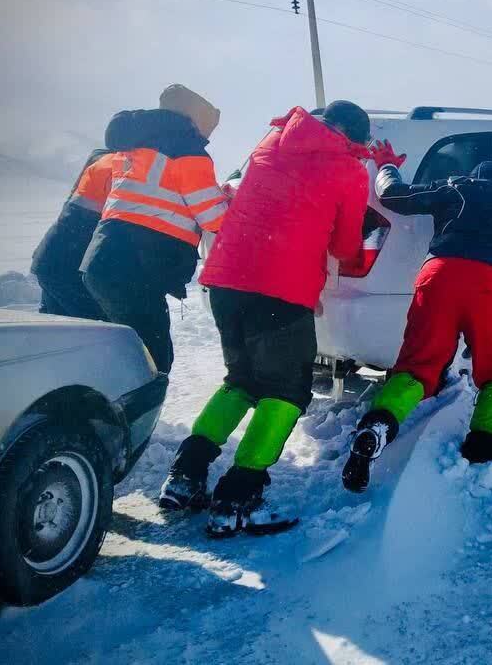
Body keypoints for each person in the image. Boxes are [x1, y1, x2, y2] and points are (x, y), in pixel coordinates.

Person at [159, 101, 377, 538]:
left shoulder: (271, 142)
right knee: (286, 391)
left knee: (240, 380)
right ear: (352, 137)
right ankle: (239, 497)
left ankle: (185, 476)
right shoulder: (348, 170)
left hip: (225, 281)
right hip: (279, 290)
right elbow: (346, 246)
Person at [342, 153, 492, 493]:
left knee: (418, 366)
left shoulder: (455, 188)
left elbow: (394, 195)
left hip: (438, 275)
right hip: (486, 282)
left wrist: (387, 165)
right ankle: (482, 443)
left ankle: (378, 424)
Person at [80, 85, 227, 373]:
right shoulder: (187, 150)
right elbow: (215, 218)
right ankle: (130, 417)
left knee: (122, 360)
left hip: (102, 262)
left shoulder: (138, 143)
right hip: (136, 271)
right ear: (193, 119)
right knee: (152, 364)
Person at [31, 148, 112, 319]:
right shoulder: (120, 167)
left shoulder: (99, 159)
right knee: (102, 333)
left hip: (48, 259)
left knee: (58, 334)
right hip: (68, 270)